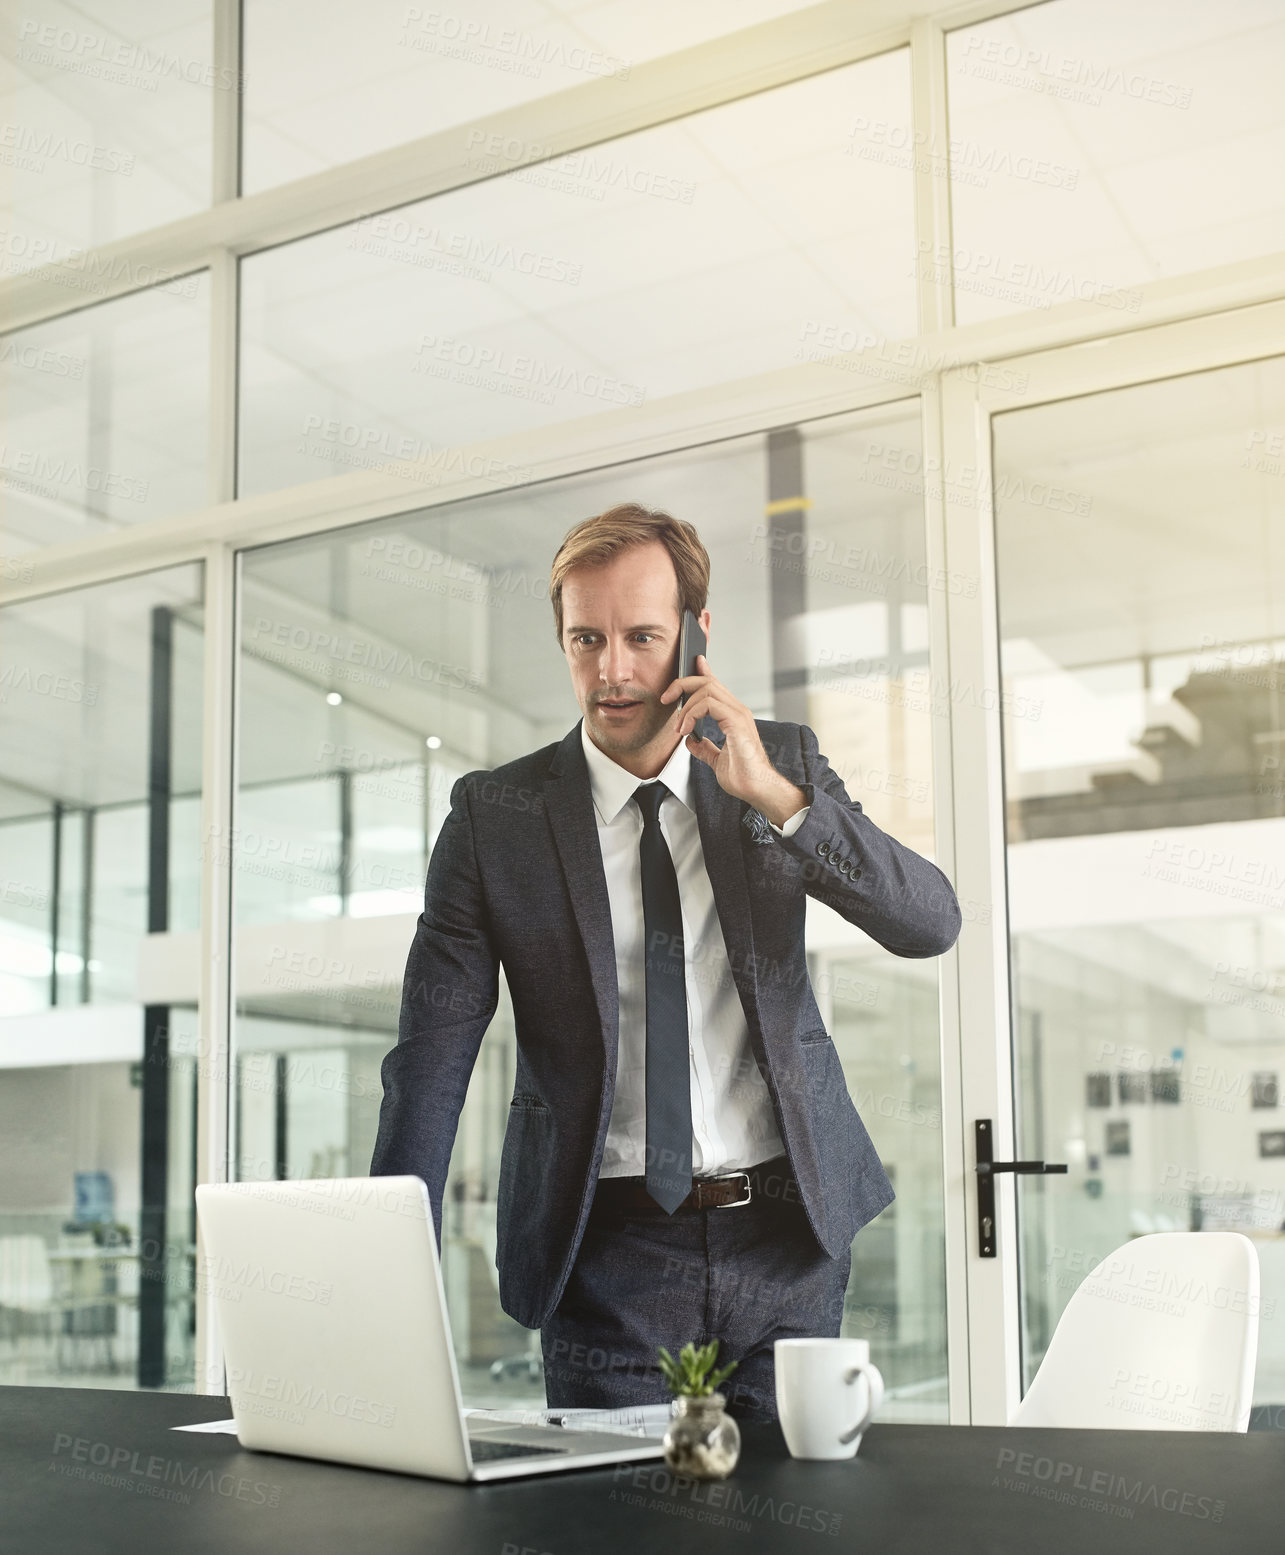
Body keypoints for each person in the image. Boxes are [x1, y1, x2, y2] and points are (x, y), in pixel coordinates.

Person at [370, 502, 961, 1422]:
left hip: (788, 1239)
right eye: (585, 638)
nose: (611, 670)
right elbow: (431, 1054)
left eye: (642, 636)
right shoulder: (496, 818)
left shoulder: (782, 763)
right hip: (603, 1255)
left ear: (695, 634)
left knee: (792, 1517)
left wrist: (773, 795)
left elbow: (927, 922)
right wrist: (384, 1264)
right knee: (619, 1524)